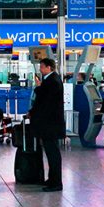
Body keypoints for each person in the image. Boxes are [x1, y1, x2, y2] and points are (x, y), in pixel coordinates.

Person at [29, 58, 65, 192]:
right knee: (50, 153)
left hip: (51, 125)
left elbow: (46, 101)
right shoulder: (49, 80)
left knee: (53, 153)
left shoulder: (53, 81)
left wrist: (39, 88)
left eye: (42, 67)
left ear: (49, 67)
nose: (40, 69)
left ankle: (56, 183)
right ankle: (52, 179)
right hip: (48, 124)